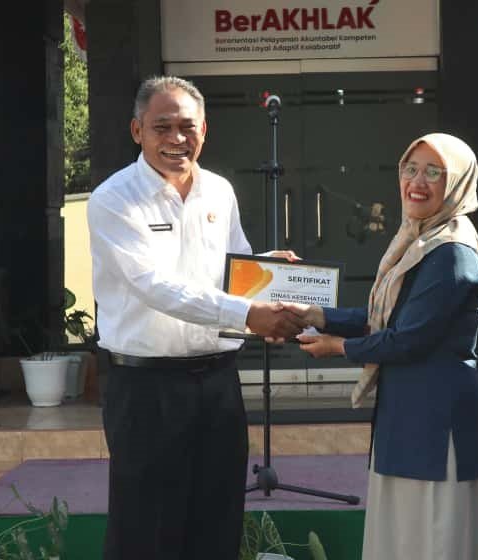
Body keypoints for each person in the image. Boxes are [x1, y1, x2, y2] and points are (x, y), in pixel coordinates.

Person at [87, 76, 305, 559]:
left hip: (218, 382)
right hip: (146, 390)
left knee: (217, 521)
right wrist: (249, 314)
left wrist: (270, 274)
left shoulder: (219, 192)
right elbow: (154, 286)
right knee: (146, 530)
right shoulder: (113, 199)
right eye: (161, 126)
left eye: (187, 126)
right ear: (137, 130)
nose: (176, 138)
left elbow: (231, 272)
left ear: (204, 129)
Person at [292, 133, 478, 559]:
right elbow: (387, 317)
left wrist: (336, 347)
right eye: (411, 168)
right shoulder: (420, 240)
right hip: (407, 415)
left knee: (432, 542)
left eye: (434, 172)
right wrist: (317, 314)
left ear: (458, 183)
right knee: (401, 539)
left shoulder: (450, 252)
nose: (417, 182)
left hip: (436, 424)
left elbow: (408, 339)